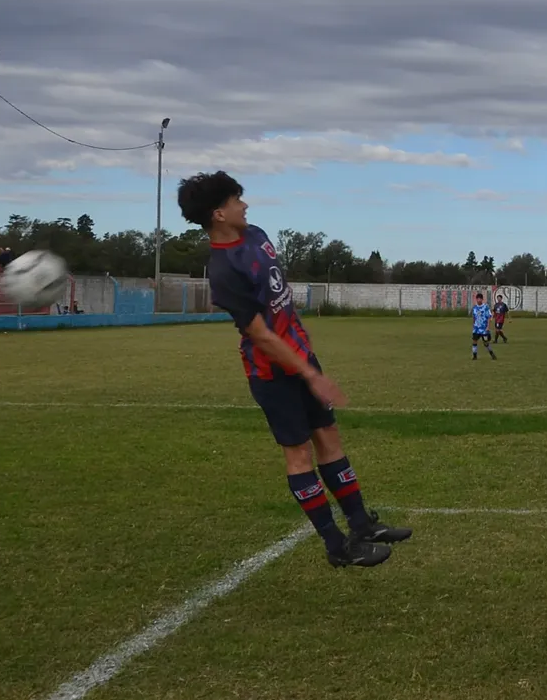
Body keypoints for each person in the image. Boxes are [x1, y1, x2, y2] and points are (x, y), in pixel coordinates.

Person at [176, 170, 411, 569]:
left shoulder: (256, 236)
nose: (245, 205)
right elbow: (261, 335)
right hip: (273, 372)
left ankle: (360, 525)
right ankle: (337, 545)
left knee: (329, 438)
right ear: (218, 213)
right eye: (236, 200)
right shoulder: (222, 272)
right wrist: (310, 374)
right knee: (299, 454)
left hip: (301, 357)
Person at [471, 293, 497, 360]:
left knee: (486, 343)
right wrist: (473, 326)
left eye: (480, 299)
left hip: (484, 329)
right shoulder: (474, 307)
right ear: (476, 299)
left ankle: (492, 354)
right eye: (477, 299)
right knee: (474, 341)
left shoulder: (485, 307)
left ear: (482, 299)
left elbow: (488, 317)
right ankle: (474, 356)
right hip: (476, 328)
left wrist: (488, 327)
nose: (479, 300)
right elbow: (474, 317)